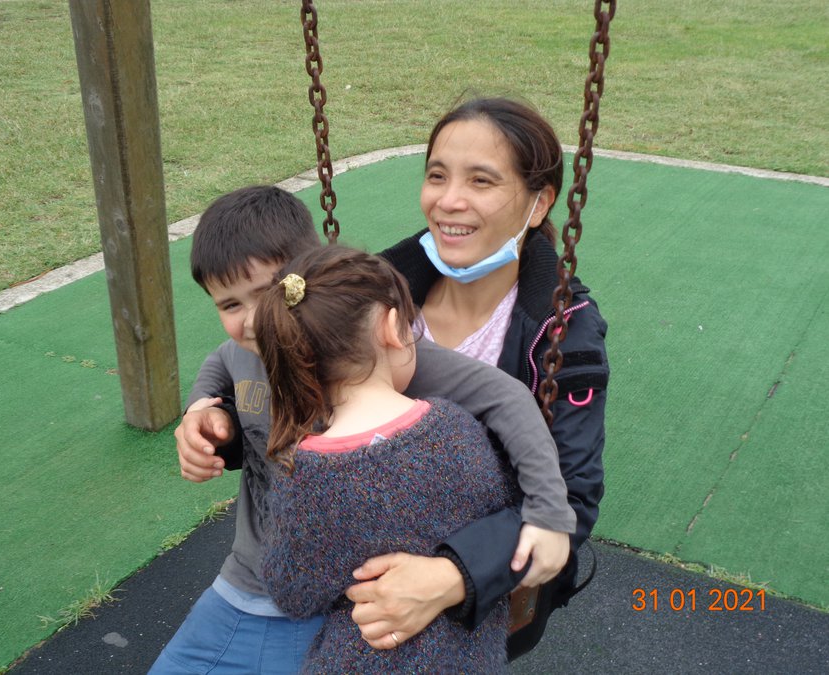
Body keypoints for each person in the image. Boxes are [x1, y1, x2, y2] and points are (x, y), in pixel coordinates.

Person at [152, 185, 574, 674]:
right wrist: (202, 407)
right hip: (243, 580)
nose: (252, 322)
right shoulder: (241, 352)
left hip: (339, 601)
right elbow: (219, 362)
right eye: (228, 305)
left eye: (267, 295)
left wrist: (547, 511)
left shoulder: (375, 359)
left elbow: (507, 398)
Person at [378, 96, 609, 654]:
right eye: (437, 176)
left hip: (479, 584)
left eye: (482, 181)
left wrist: (451, 577)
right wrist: (222, 424)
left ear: (537, 204)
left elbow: (571, 500)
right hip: (371, 560)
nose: (448, 201)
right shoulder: (376, 295)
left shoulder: (561, 334)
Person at [256, 245, 519, 672]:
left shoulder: (304, 471)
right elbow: (507, 510)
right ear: (393, 326)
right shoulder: (453, 428)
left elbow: (291, 592)